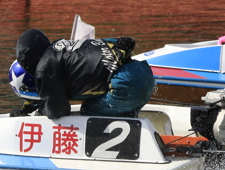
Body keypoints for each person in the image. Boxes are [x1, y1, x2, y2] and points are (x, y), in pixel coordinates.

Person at [11, 28, 155, 120]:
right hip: (143, 72)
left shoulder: (44, 70)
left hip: (125, 85)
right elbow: (126, 42)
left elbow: (58, 111)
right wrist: (25, 108)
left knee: (88, 111)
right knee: (124, 115)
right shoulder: (63, 47)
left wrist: (38, 114)